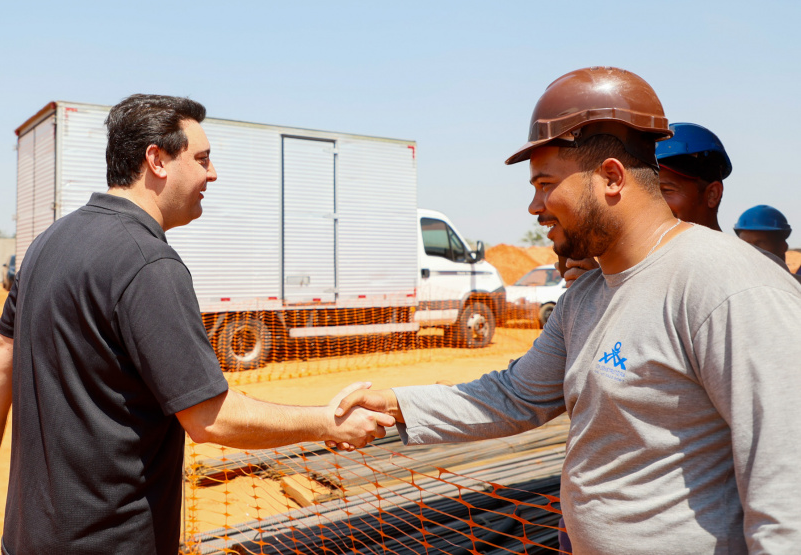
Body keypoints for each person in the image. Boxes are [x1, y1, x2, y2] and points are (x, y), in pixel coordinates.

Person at [332, 67, 801, 553]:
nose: (535, 207)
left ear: (611, 178)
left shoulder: (727, 286)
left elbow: (788, 491)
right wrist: (392, 405)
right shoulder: (587, 296)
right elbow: (514, 396)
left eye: (545, 184)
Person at [0, 94, 394, 555]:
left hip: (25, 540)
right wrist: (326, 424)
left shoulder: (47, 243)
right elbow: (209, 418)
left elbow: (2, 348)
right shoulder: (148, 263)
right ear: (156, 160)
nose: (211, 174)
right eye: (201, 159)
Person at [561, 120, 789, 282]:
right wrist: (596, 291)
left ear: (712, 195)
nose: (652, 202)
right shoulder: (640, 269)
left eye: (666, 190)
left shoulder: (754, 272)